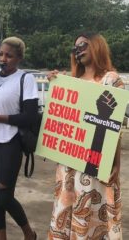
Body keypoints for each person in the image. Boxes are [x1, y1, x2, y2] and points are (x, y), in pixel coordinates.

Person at [47, 32, 124, 239]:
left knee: (92, 213)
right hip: (69, 162)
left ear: (97, 46)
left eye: (83, 45)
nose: (78, 49)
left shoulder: (111, 80)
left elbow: (115, 128)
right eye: (75, 47)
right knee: (68, 208)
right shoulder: (73, 82)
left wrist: (116, 163)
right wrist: (57, 84)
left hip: (95, 161)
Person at [0, 36, 38, 240]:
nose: (3, 58)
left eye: (9, 55)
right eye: (1, 54)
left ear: (19, 58)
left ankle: (28, 233)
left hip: (9, 140)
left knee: (3, 195)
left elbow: (30, 116)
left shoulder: (25, 79)